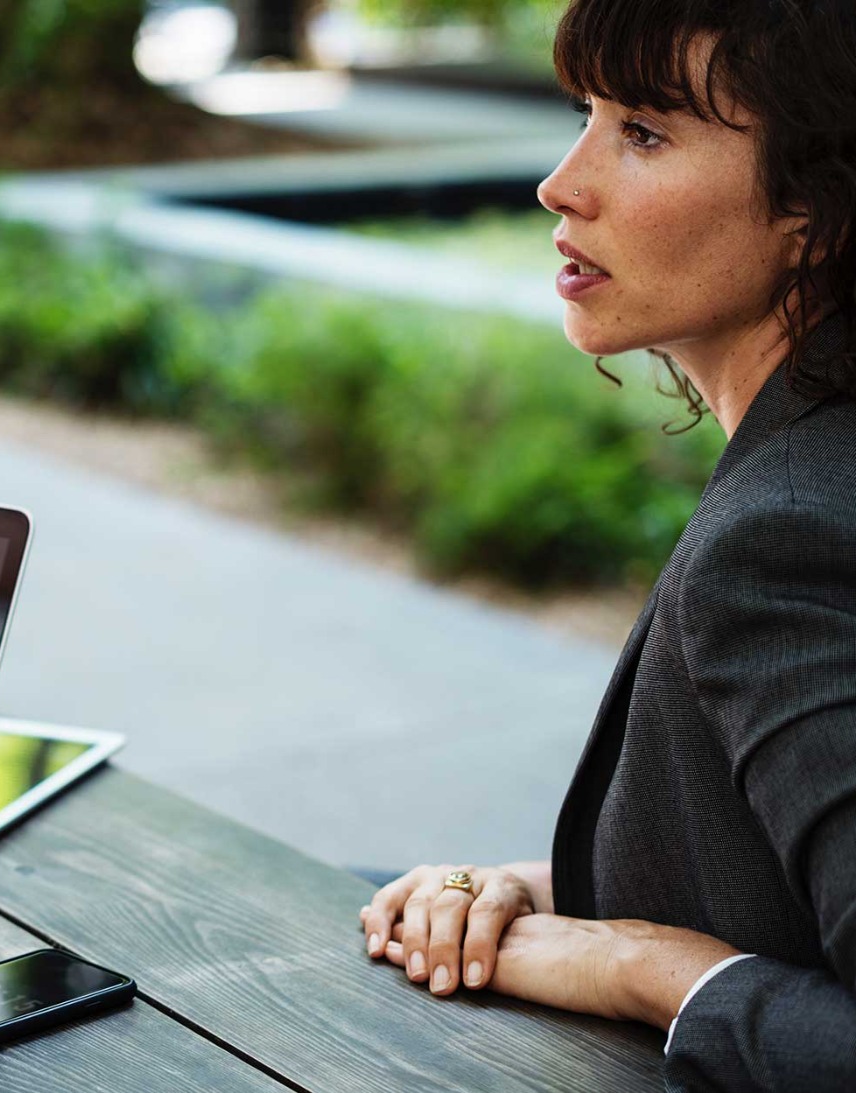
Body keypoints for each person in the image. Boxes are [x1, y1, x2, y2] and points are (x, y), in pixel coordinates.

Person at [353, 2, 855, 1090]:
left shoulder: (786, 541)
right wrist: (528, 892)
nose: (560, 183)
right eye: (586, 114)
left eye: (643, 133)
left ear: (814, 206)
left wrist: (649, 970)